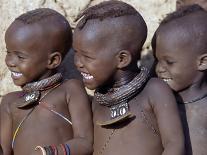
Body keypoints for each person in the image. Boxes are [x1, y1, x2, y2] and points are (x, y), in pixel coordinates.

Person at [73, 1, 184, 155]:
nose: (77, 63)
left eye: (87, 57)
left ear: (122, 59)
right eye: (75, 53)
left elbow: (174, 145)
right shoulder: (98, 101)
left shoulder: (155, 91)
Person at [0, 8, 93, 155]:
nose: (10, 62)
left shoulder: (70, 90)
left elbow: (85, 142)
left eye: (20, 57)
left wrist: (51, 152)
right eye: (8, 52)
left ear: (52, 60)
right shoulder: (9, 102)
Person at [152, 4, 207, 155]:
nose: (159, 69)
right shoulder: (155, 99)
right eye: (156, 60)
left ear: (203, 62)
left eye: (169, 62)